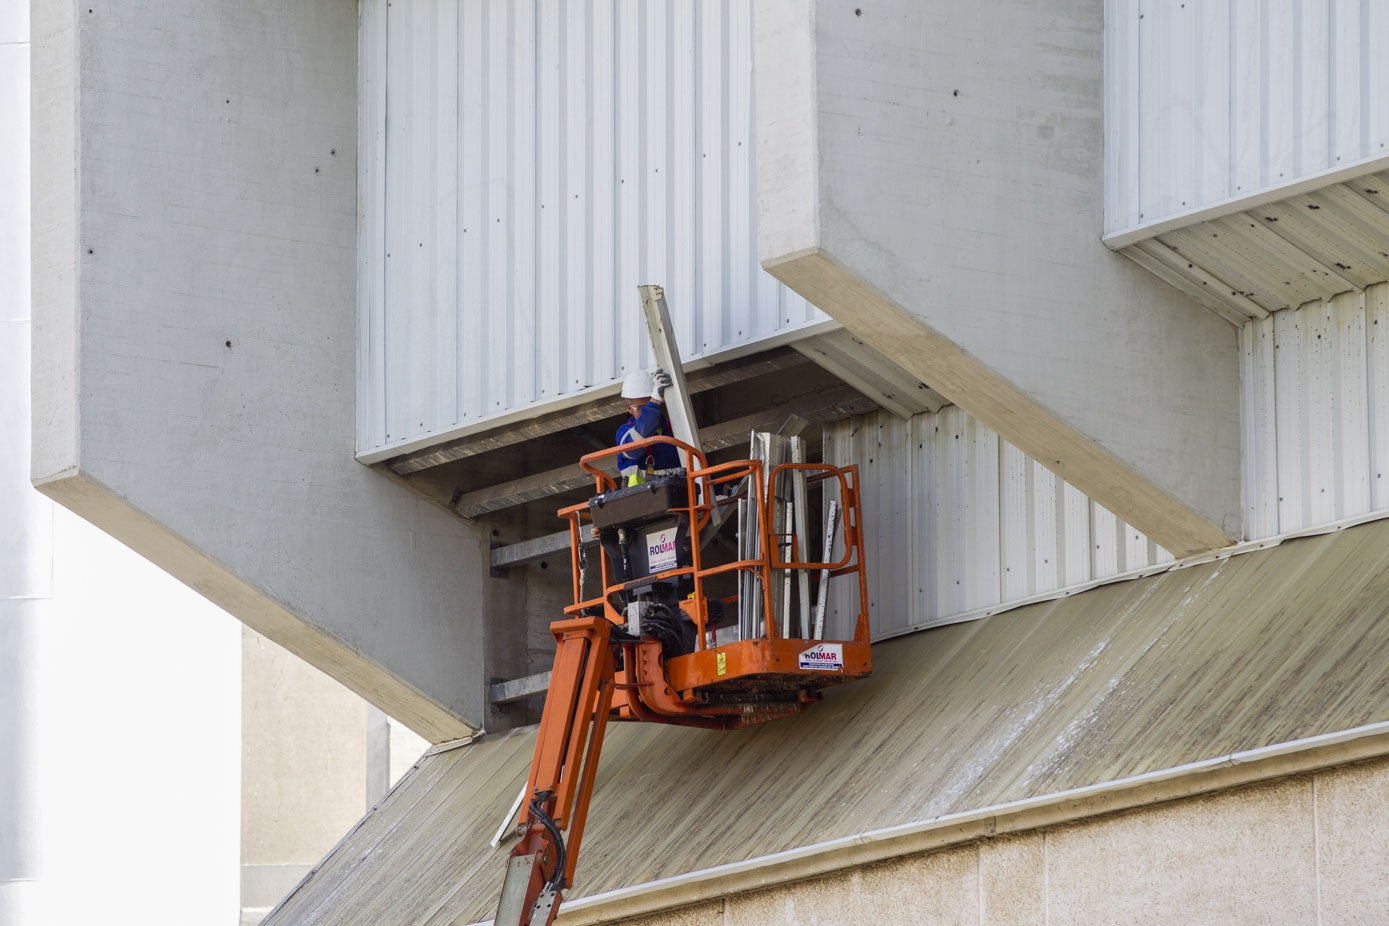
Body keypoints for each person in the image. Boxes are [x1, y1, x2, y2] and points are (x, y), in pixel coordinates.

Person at [616, 369, 680, 485]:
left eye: (650, 404)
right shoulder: (624, 433)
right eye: (641, 408)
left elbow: (696, 465)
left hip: (680, 498)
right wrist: (654, 401)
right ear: (629, 408)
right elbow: (636, 446)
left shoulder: (674, 429)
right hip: (642, 500)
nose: (647, 410)